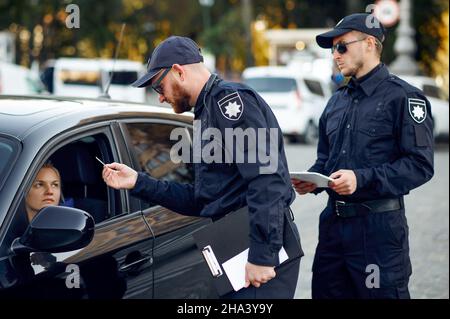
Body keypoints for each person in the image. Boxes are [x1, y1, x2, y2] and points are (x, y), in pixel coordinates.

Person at [102, 36, 303, 299]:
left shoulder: (229, 103)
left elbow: (267, 180)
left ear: (178, 71)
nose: (160, 97)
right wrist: (138, 182)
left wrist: (263, 255)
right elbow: (202, 198)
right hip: (235, 246)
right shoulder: (206, 112)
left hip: (257, 247)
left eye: (158, 87)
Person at [292, 13, 434, 299]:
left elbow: (419, 165)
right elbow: (326, 160)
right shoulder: (336, 101)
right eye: (333, 49)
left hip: (378, 233)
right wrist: (312, 179)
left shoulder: (405, 98)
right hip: (333, 230)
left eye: (341, 46)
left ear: (369, 43)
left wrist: (361, 179)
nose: (335, 55)